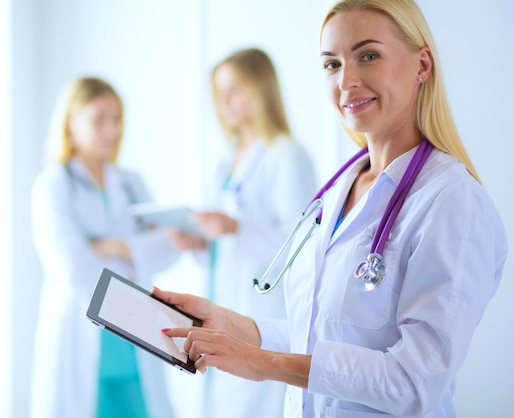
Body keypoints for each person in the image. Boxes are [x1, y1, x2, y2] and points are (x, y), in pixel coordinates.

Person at [158, 1, 508, 417]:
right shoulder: (337, 191)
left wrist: (263, 364)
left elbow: (416, 381)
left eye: (368, 56)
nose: (347, 81)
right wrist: (235, 327)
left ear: (422, 65)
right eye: (331, 64)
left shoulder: (452, 202)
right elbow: (323, 334)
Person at [168, 47, 316, 418]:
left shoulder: (286, 156)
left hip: (262, 312)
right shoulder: (228, 158)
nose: (224, 101)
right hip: (226, 300)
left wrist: (236, 227)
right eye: (218, 93)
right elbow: (224, 244)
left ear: (260, 89)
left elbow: (299, 245)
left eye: (234, 89)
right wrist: (200, 242)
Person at [29, 76, 178, 418]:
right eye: (99, 119)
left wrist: (110, 246)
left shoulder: (130, 182)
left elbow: (169, 247)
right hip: (81, 328)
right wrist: (136, 250)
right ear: (71, 122)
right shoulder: (53, 185)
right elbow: (71, 266)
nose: (110, 129)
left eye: (116, 118)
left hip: (134, 328)